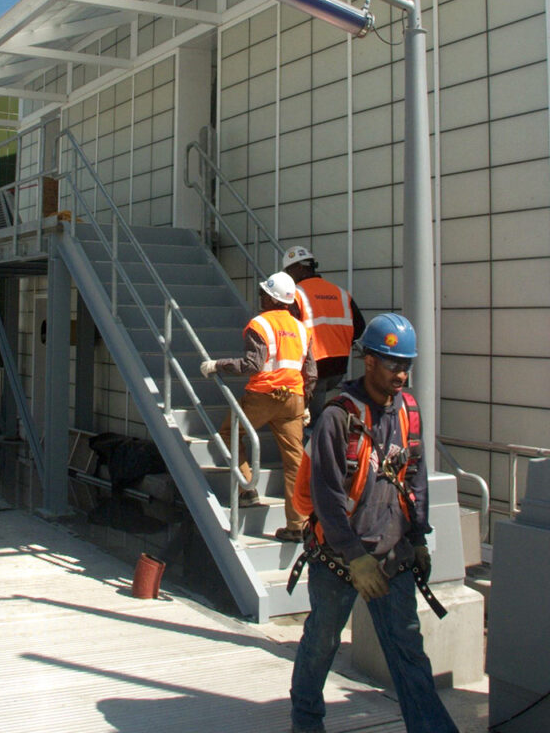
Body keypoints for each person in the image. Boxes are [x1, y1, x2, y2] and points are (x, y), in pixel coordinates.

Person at [289, 313, 458, 733]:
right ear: (369, 361)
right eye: (393, 364)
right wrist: (354, 558)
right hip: (339, 557)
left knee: (408, 651)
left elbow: (415, 478)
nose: (402, 373)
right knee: (321, 645)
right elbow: (326, 497)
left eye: (406, 364)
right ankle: (306, 724)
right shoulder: (337, 417)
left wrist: (419, 538)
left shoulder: (408, 412)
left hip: (392, 552)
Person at [201, 271, 317, 542]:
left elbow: (253, 364)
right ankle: (297, 526)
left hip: (263, 397)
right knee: (295, 462)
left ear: (271, 298)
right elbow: (310, 373)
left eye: (264, 293)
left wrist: (217, 365)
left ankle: (247, 487)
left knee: (230, 433)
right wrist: (306, 404)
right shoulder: (302, 329)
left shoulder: (260, 325)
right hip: (294, 400)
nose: (261, 296)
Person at [282, 246, 365, 425]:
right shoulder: (341, 293)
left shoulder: (295, 295)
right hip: (339, 366)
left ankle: (311, 449)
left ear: (298, 268)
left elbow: (289, 331)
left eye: (289, 271)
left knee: (310, 421)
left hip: (313, 369)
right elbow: (360, 326)